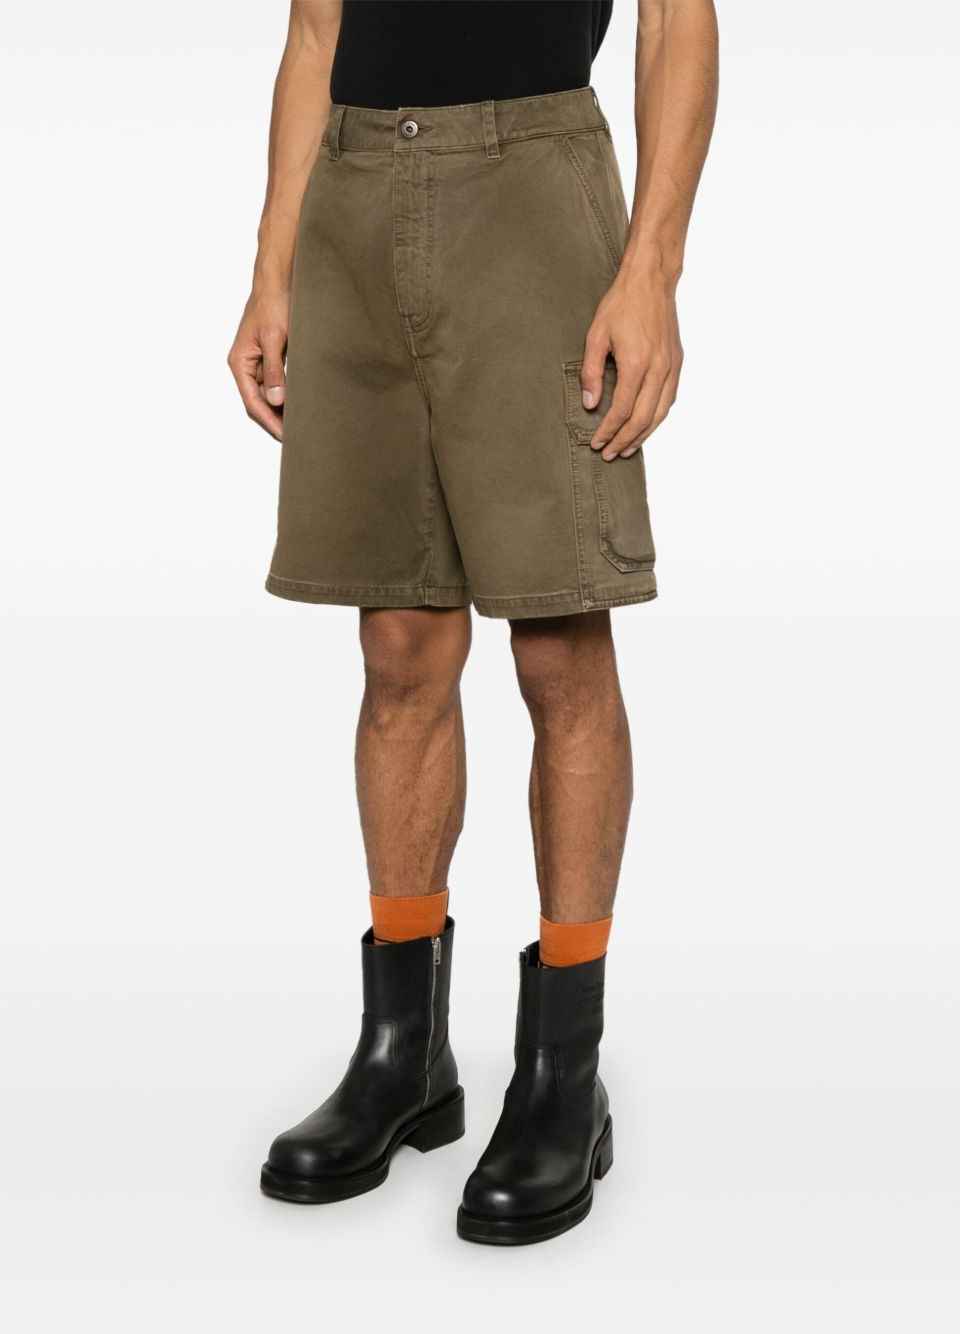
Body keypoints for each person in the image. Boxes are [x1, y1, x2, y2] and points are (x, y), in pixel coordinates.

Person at [229, 0, 717, 1245]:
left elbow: (676, 20)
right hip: (351, 191)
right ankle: (404, 1054)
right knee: (396, 640)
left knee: (558, 641)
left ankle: (563, 1072)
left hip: (533, 186)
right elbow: (315, 31)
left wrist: (651, 270)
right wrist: (273, 262)